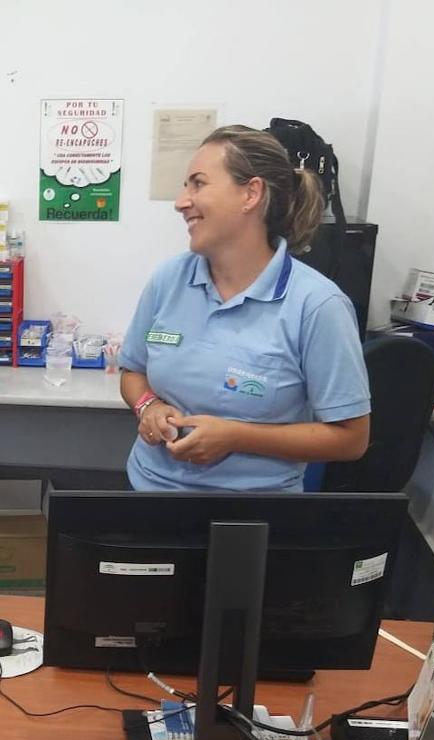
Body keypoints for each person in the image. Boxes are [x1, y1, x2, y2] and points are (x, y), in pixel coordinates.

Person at [119, 125, 370, 492]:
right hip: (150, 497)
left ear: (251, 194)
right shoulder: (169, 279)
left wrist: (236, 436)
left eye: (198, 184)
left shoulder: (317, 305)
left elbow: (351, 438)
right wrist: (148, 407)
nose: (181, 201)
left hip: (252, 518)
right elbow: (132, 371)